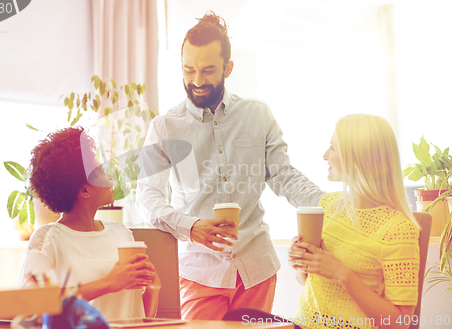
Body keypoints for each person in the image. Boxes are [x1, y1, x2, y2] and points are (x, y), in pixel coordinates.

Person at [136, 11, 324, 320]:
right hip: (201, 272)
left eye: (208, 70)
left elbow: (284, 175)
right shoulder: (164, 127)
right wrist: (191, 227)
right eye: (188, 70)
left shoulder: (258, 115)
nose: (197, 81)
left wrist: (329, 204)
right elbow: (147, 197)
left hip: (257, 269)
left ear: (228, 68)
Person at [288, 114, 420, 329]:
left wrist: (341, 273)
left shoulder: (398, 229)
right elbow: (312, 287)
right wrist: (304, 263)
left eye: (333, 147)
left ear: (358, 157)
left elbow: (400, 323)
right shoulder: (329, 205)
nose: (325, 156)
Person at [19, 126, 160, 319]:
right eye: (100, 170)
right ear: (84, 191)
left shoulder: (122, 234)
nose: (109, 176)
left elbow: (141, 317)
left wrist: (153, 287)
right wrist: (109, 282)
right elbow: (33, 303)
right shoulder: (48, 239)